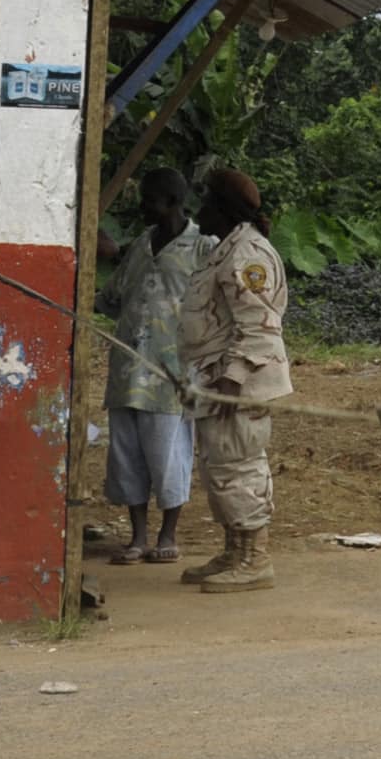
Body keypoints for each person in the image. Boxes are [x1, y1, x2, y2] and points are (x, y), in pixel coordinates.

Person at [178, 168, 292, 592]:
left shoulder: (247, 255)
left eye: (205, 201)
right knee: (220, 468)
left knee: (240, 466)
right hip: (213, 379)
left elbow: (260, 326)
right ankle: (235, 549)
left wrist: (232, 380)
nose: (198, 210)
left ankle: (255, 558)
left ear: (223, 209)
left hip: (239, 385)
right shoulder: (224, 250)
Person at [98, 169, 204, 564]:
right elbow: (112, 297)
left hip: (172, 373)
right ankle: (138, 536)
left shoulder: (203, 248)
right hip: (128, 367)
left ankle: (167, 534)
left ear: (174, 202)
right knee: (127, 454)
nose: (143, 206)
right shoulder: (141, 245)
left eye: (151, 199)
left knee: (168, 453)